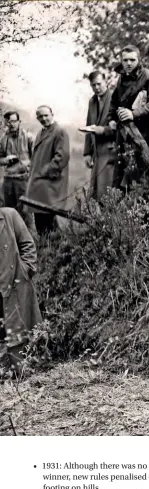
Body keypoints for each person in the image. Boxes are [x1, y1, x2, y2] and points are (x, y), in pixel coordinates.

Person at [108, 45, 149, 188]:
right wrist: (111, 119)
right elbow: (114, 101)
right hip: (123, 133)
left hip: (143, 133)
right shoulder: (121, 78)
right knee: (120, 170)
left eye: (132, 60)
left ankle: (144, 206)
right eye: (125, 60)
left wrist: (134, 115)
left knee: (142, 173)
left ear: (139, 59)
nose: (129, 63)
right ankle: (118, 207)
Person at [0, 207, 42, 375]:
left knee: (17, 334)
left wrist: (26, 270)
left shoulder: (9, 216)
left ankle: (22, 373)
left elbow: (27, 244)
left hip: (13, 285)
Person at [26, 106, 70, 236]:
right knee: (40, 218)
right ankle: (46, 249)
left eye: (46, 115)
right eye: (40, 116)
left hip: (49, 183)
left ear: (52, 114)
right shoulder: (41, 132)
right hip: (39, 184)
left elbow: (62, 157)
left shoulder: (59, 131)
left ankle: (53, 249)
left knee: (48, 220)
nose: (43, 118)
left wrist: (43, 172)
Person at [83, 70, 116, 201]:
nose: (96, 88)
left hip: (111, 153)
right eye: (93, 85)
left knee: (107, 193)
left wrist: (103, 130)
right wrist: (87, 152)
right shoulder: (92, 101)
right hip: (97, 153)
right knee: (95, 194)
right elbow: (88, 125)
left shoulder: (115, 98)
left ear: (106, 82)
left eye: (99, 84)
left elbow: (120, 127)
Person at [0, 111, 34, 228]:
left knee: (26, 212)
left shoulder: (28, 137)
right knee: (8, 212)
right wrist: (6, 160)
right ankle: (13, 243)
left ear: (19, 122)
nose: (11, 124)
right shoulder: (3, 139)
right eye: (8, 122)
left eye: (14, 121)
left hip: (23, 179)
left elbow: (36, 158)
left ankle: (31, 242)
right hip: (8, 180)